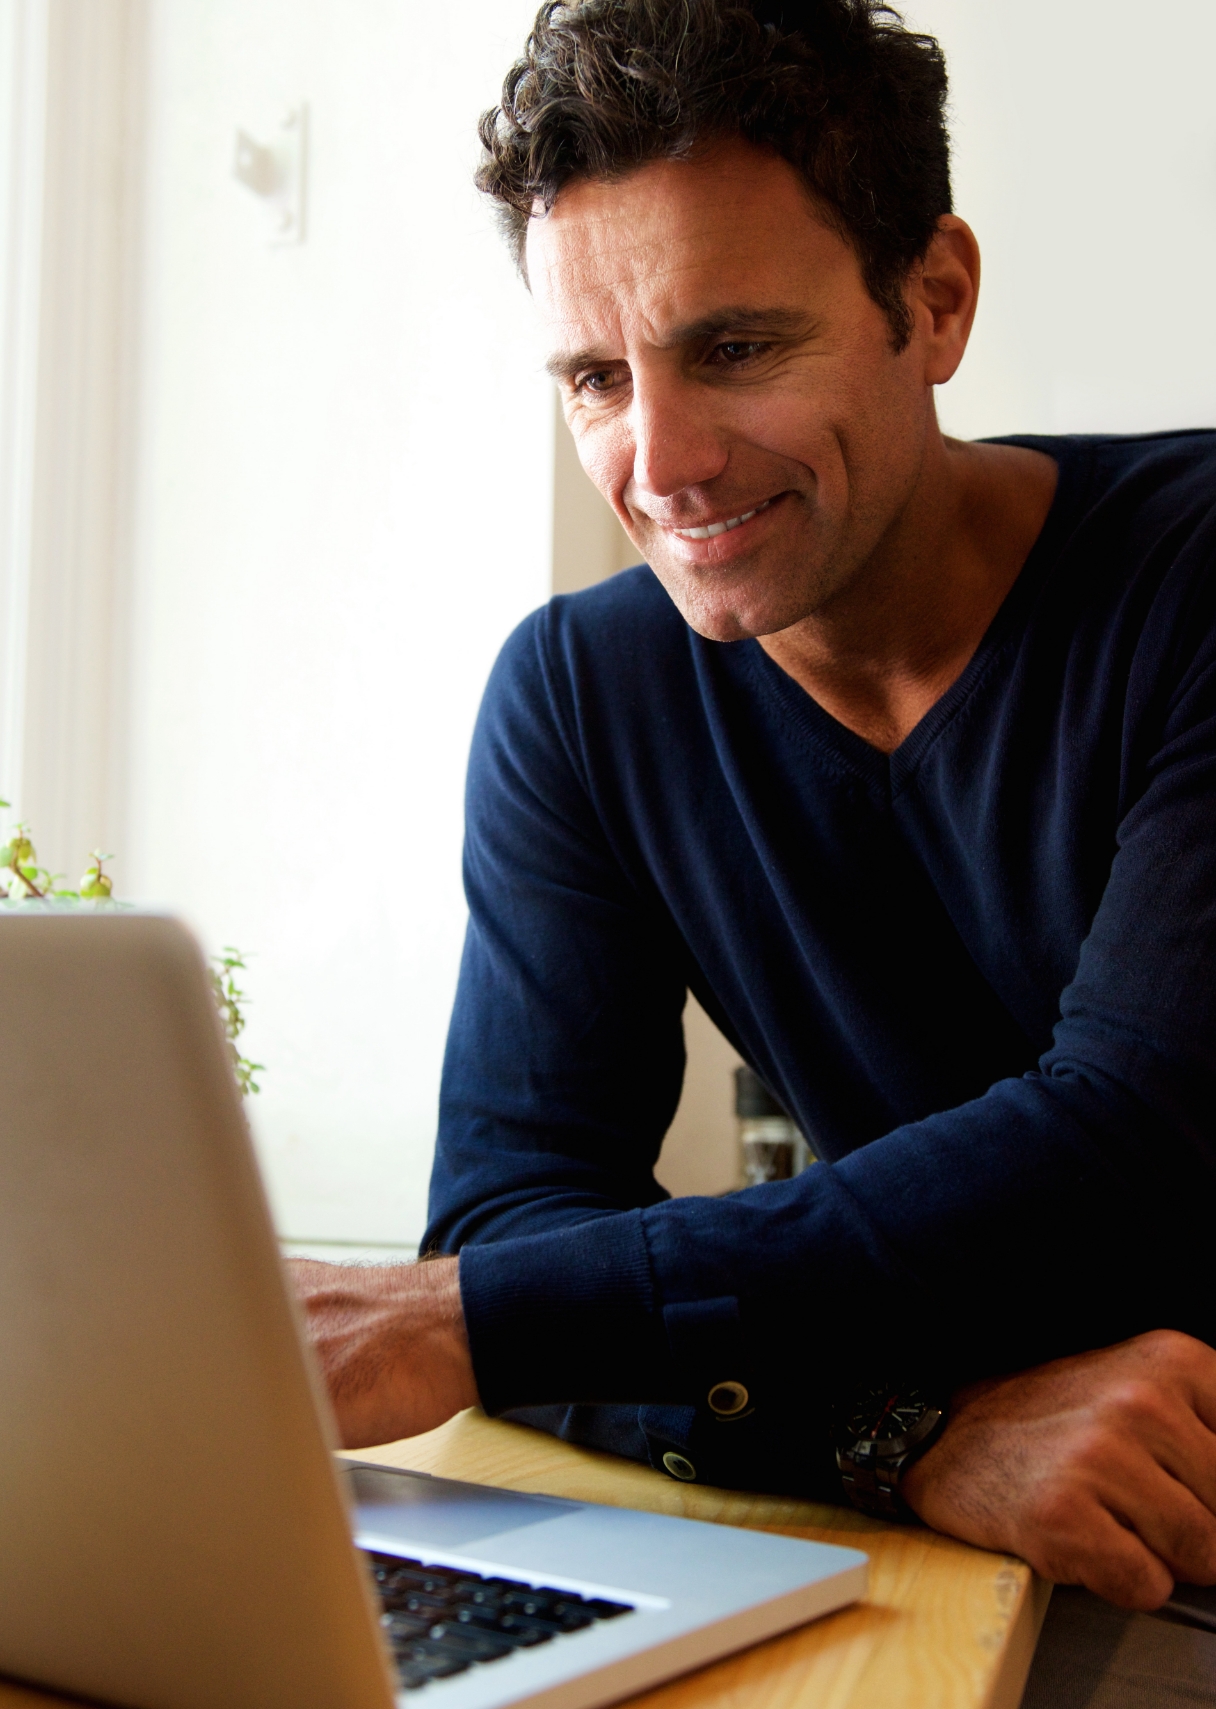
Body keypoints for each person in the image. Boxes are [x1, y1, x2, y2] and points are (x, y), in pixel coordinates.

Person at [290, 0, 1216, 1612]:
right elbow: (512, 1211)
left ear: (933, 301)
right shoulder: (578, 700)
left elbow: (1132, 1147)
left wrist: (474, 1320)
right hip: (965, 1541)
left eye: (732, 348)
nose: (662, 461)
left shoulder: (1195, 580)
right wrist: (904, 1435)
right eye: (594, 375)